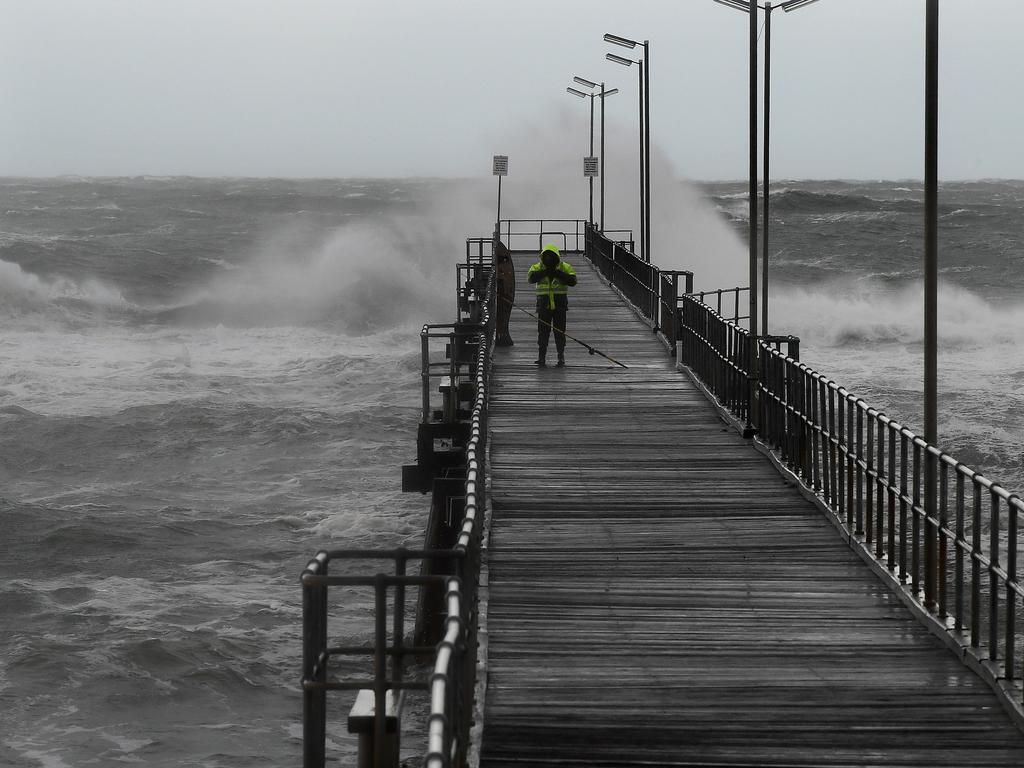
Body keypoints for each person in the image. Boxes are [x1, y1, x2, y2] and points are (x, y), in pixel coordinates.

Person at [526, 244, 577, 367]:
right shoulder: (537, 267)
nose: (548, 259)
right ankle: (541, 356)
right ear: (542, 257)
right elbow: (531, 278)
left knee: (560, 331)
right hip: (544, 305)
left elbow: (573, 281)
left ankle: (561, 356)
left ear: (556, 257)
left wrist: (558, 274)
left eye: (551, 256)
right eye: (546, 256)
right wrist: (545, 272)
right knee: (543, 331)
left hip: (559, 305)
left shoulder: (565, 267)